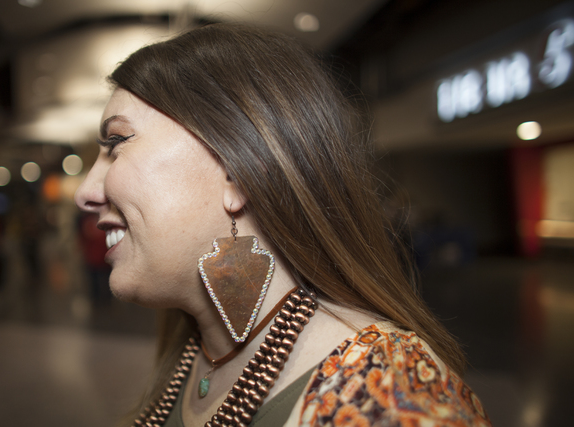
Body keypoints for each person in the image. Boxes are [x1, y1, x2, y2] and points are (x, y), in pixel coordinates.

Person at [75, 23, 491, 427]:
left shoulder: (388, 395)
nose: (86, 192)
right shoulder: (195, 348)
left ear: (237, 171)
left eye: (117, 143)